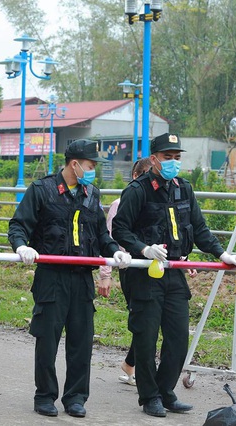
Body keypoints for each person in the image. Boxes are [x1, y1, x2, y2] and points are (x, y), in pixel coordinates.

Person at [112, 132, 236, 418]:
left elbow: (198, 228)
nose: (173, 162)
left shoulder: (183, 189)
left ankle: (165, 391)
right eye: (167, 157)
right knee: (146, 339)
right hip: (145, 273)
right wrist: (143, 249)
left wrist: (221, 254)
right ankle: (149, 397)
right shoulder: (138, 190)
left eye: (176, 157)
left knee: (177, 338)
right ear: (154, 159)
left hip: (175, 272)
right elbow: (120, 229)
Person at [8, 139, 132, 418]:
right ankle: (45, 396)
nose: (93, 172)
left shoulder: (91, 194)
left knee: (81, 341)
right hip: (52, 277)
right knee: (47, 339)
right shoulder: (43, 190)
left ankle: (75, 398)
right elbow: (18, 225)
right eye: (90, 166)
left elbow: (100, 234)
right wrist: (21, 246)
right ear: (74, 164)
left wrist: (114, 252)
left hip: (81, 279)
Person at [97, 157, 152, 386]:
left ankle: (131, 363)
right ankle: (134, 365)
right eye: (148, 175)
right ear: (136, 177)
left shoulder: (157, 203)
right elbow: (108, 240)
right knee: (143, 318)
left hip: (154, 267)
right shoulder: (120, 204)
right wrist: (105, 275)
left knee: (151, 318)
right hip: (130, 267)